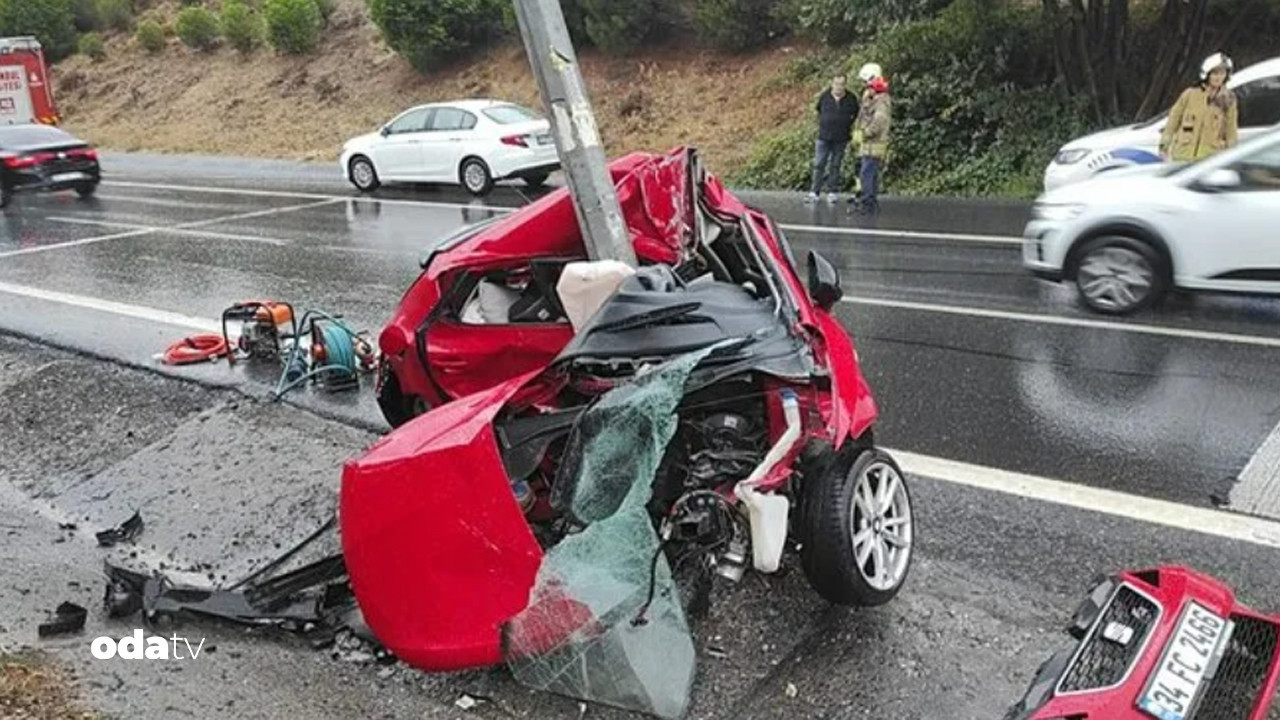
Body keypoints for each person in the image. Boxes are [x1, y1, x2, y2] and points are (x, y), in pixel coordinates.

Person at [1159, 52, 1238, 163]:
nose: (1218, 77)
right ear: (1207, 74)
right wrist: (1164, 145)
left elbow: (1231, 130)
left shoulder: (1229, 100)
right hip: (1182, 157)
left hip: (1208, 162)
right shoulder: (1190, 94)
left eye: (1222, 73)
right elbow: (1173, 119)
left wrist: (1232, 155)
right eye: (1215, 73)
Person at [806, 74, 859, 203]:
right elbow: (818, 110)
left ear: (845, 85)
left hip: (841, 138)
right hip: (823, 136)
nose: (838, 87)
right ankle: (814, 192)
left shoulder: (851, 98)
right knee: (819, 164)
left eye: (841, 84)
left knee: (835, 165)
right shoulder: (825, 96)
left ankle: (832, 191)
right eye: (836, 84)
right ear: (832, 84)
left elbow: (857, 114)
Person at [852, 63, 891, 215]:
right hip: (867, 143)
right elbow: (863, 117)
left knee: (866, 174)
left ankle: (868, 203)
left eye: (865, 81)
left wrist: (863, 134)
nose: (863, 85)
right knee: (869, 173)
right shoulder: (872, 96)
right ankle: (870, 201)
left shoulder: (881, 99)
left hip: (874, 143)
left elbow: (879, 122)